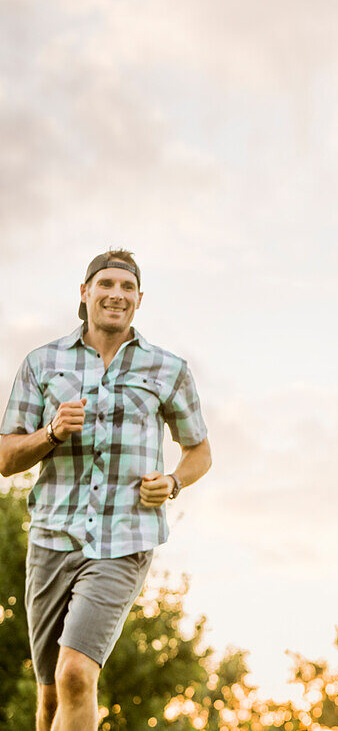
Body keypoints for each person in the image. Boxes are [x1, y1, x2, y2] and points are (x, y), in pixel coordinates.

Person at [0, 250, 212, 731]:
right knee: (51, 697)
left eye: (127, 287)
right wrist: (51, 432)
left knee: (76, 674)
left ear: (139, 299)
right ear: (85, 292)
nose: (117, 293)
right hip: (51, 538)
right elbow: (6, 458)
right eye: (106, 284)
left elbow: (200, 452)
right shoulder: (42, 362)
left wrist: (174, 482)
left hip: (125, 538)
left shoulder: (168, 369)